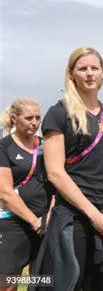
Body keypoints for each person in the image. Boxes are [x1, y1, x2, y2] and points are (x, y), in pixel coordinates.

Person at [33, 47, 103, 291]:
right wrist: (93, 214)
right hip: (75, 218)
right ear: (71, 74)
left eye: (94, 68)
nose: (89, 73)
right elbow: (55, 172)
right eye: (82, 68)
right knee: (67, 283)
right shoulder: (59, 113)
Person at [0, 98, 52, 287]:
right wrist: (34, 222)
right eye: (29, 118)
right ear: (15, 118)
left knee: (42, 281)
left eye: (38, 117)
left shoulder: (47, 145)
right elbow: (5, 193)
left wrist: (48, 217)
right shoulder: (4, 147)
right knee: (9, 282)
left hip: (46, 223)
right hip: (14, 224)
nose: (35, 122)